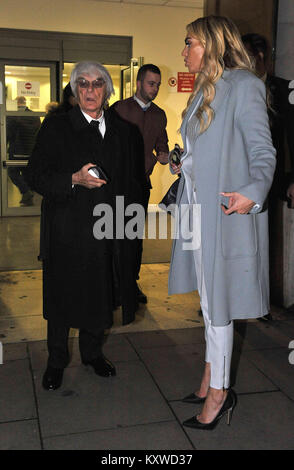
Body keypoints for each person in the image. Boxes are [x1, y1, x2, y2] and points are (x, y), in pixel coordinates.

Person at [168, 15, 276, 430]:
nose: (184, 51)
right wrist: (185, 162)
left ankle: (219, 394)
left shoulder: (245, 85)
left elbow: (262, 151)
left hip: (227, 213)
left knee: (218, 307)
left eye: (190, 42)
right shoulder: (202, 91)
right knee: (209, 303)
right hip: (198, 211)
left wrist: (254, 189)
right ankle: (211, 376)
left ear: (212, 44)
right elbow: (204, 147)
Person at [25, 61, 146, 391]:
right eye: (83, 84)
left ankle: (92, 354)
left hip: (107, 230)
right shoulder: (57, 127)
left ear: (107, 89)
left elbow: (130, 184)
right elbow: (34, 175)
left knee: (100, 294)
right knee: (62, 298)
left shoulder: (124, 133)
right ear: (74, 90)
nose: (90, 90)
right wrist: (73, 180)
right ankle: (56, 360)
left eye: (97, 84)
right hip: (67, 230)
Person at [242, 33, 294, 313]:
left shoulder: (282, 90)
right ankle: (233, 297)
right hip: (237, 178)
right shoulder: (234, 87)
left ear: (260, 57)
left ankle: (261, 302)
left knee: (264, 242)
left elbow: (291, 136)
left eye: (246, 55)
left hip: (270, 180)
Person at [114, 64, 169, 303]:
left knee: (134, 237)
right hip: (116, 184)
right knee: (115, 234)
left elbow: (162, 144)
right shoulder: (119, 109)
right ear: (138, 83)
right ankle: (113, 283)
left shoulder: (159, 114)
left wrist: (165, 155)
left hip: (140, 185)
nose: (155, 88)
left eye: (157, 84)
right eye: (151, 83)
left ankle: (130, 283)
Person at [6, 96, 41, 206]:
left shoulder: (13, 116)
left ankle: (26, 191)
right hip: (30, 150)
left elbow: (8, 133)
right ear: (25, 102)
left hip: (16, 150)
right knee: (26, 174)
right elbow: (38, 131)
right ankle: (27, 197)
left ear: (16, 103)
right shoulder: (34, 115)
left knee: (12, 172)